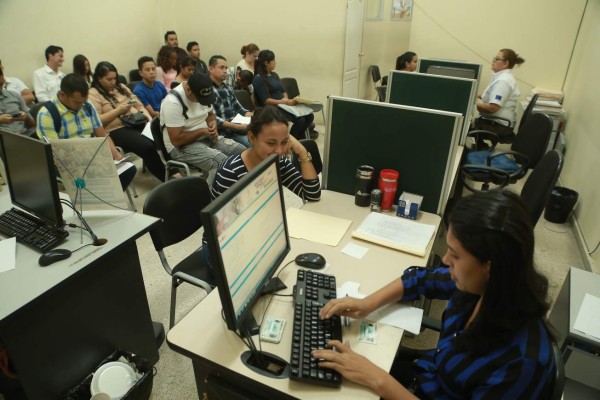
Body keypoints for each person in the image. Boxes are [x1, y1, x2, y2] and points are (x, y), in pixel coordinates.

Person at [314, 189, 555, 399]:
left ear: (490, 267)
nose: (446, 260)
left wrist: (378, 379)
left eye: (455, 255)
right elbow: (421, 280)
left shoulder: (522, 364)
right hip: (426, 377)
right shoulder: (483, 284)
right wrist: (366, 304)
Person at [36, 74, 136, 190]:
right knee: (95, 183)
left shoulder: (86, 105)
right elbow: (56, 154)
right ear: (63, 95)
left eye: (84, 101)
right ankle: (99, 202)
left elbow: (102, 134)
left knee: (128, 169)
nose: (81, 105)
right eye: (77, 102)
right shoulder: (47, 115)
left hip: (92, 156)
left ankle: (105, 203)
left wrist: (118, 157)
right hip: (68, 164)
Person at [88, 61, 167, 182]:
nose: (113, 82)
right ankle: (166, 178)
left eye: (115, 78)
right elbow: (97, 121)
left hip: (136, 122)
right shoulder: (93, 93)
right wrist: (119, 110)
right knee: (146, 145)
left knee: (162, 134)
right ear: (99, 78)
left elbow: (140, 106)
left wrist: (149, 121)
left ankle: (174, 169)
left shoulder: (121, 87)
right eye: (109, 79)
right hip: (116, 130)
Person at [159, 73, 245, 183]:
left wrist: (212, 123)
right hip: (181, 147)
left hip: (206, 136)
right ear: (189, 90)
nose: (202, 102)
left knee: (242, 151)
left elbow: (210, 115)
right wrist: (202, 131)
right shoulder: (173, 102)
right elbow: (176, 140)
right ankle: (213, 198)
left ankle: (238, 186)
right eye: (199, 99)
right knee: (220, 162)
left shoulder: (203, 92)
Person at [253, 50, 314, 140]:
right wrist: (282, 102)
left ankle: (300, 139)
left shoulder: (274, 75)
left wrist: (286, 100)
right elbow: (265, 100)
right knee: (300, 120)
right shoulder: (258, 79)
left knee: (309, 116)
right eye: (273, 60)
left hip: (283, 105)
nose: (275, 62)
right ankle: (290, 142)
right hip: (272, 107)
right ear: (266, 63)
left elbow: (283, 90)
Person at [474, 48, 525, 143]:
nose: (493, 61)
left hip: (499, 125)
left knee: (468, 127)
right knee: (470, 123)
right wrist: (474, 94)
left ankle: (476, 151)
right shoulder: (502, 77)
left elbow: (492, 108)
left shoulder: (503, 81)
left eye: (496, 59)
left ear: (505, 63)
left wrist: (473, 103)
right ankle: (478, 149)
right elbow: (491, 96)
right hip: (497, 122)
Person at [209, 55, 252, 148]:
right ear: (211, 69)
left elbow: (240, 109)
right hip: (222, 134)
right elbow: (213, 119)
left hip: (236, 128)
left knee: (262, 139)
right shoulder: (207, 90)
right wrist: (237, 127)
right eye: (221, 68)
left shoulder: (227, 88)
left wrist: (256, 116)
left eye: (226, 68)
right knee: (252, 144)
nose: (225, 71)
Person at [0, 67, 35, 135]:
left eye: (1, 84)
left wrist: (26, 118)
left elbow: (32, 125)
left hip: (24, 135)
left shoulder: (15, 95)